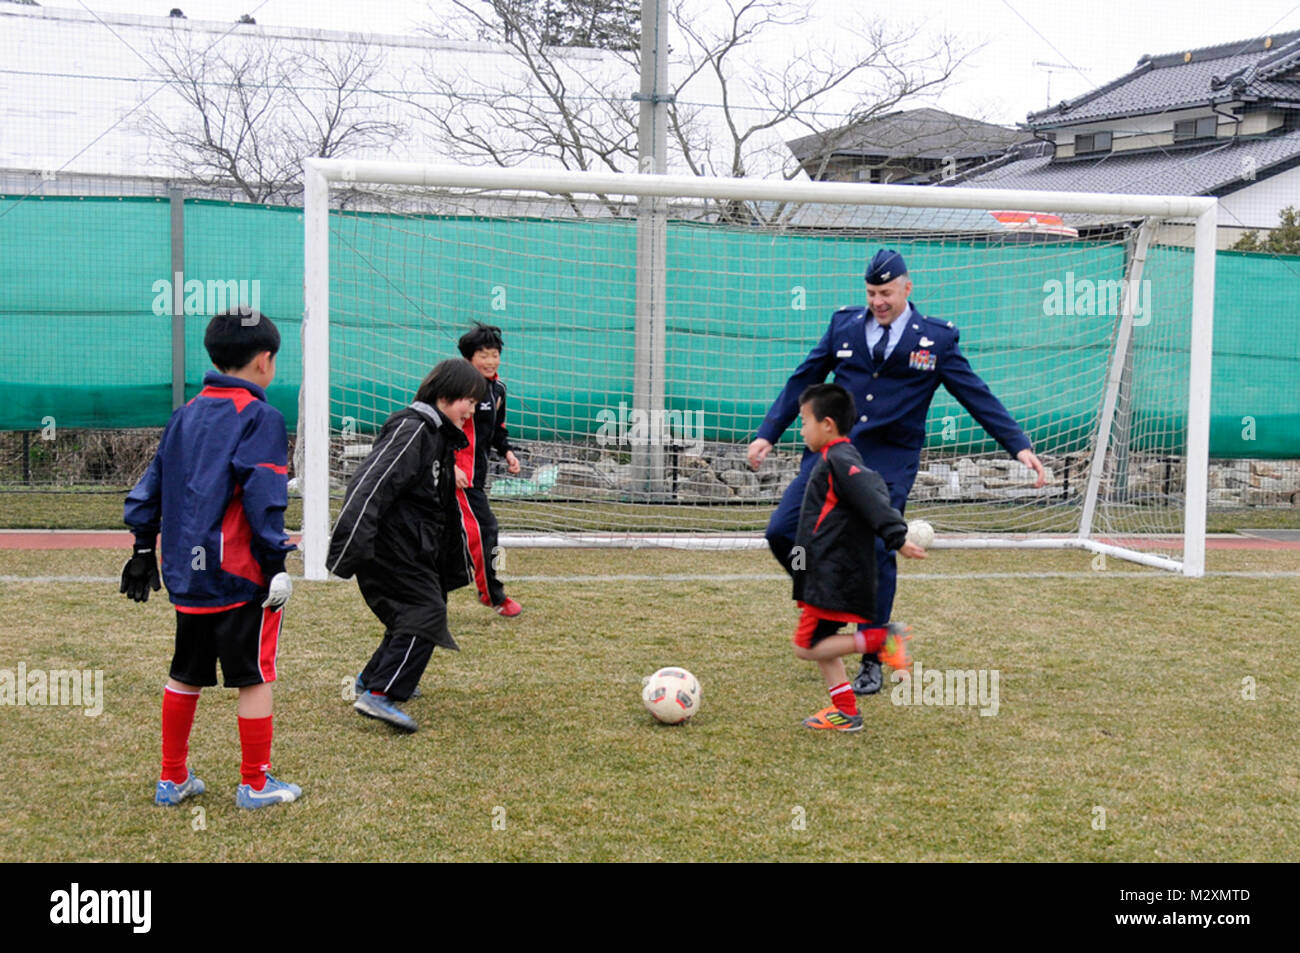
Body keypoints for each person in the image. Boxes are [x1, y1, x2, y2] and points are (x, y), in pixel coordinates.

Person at [749, 248, 1046, 695]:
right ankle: (827, 597)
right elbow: (802, 379)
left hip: (886, 465)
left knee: (876, 550)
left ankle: (874, 655)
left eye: (885, 292)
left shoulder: (936, 340)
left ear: (908, 287)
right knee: (780, 531)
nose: (877, 301)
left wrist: (1018, 445)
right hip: (829, 459)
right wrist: (769, 431)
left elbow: (975, 395)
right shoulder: (843, 325)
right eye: (871, 292)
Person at [122, 308, 300, 809]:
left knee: (185, 670)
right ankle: (255, 783)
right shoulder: (261, 416)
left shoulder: (185, 413)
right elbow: (264, 495)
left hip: (185, 570)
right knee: (255, 675)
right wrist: (277, 564)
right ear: (265, 360)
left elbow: (150, 486)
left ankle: (172, 779)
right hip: (238, 573)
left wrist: (142, 549)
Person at [327, 358, 485, 733]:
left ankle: (370, 679)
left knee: (416, 613)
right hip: (387, 547)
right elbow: (371, 483)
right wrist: (351, 540)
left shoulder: (437, 437)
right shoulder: (414, 429)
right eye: (469, 402)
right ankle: (381, 694)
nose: (471, 411)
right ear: (445, 395)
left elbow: (430, 503)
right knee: (425, 612)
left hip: (413, 548)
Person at [790, 384, 927, 731]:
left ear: (828, 425)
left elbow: (874, 495)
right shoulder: (832, 458)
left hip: (832, 574)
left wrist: (897, 537)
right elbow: (811, 524)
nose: (801, 429)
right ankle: (847, 713)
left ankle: (883, 639)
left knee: (807, 647)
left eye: (804, 421)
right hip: (820, 573)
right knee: (825, 647)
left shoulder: (840, 459)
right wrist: (799, 572)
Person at [454, 323, 523, 617]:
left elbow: (497, 430)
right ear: (470, 358)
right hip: (457, 479)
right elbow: (439, 428)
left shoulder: (498, 390)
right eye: (484, 354)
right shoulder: (456, 386)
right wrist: (451, 465)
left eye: (495, 354)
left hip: (475, 479)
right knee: (485, 531)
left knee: (442, 536)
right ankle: (493, 595)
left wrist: (508, 453)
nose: (491, 361)